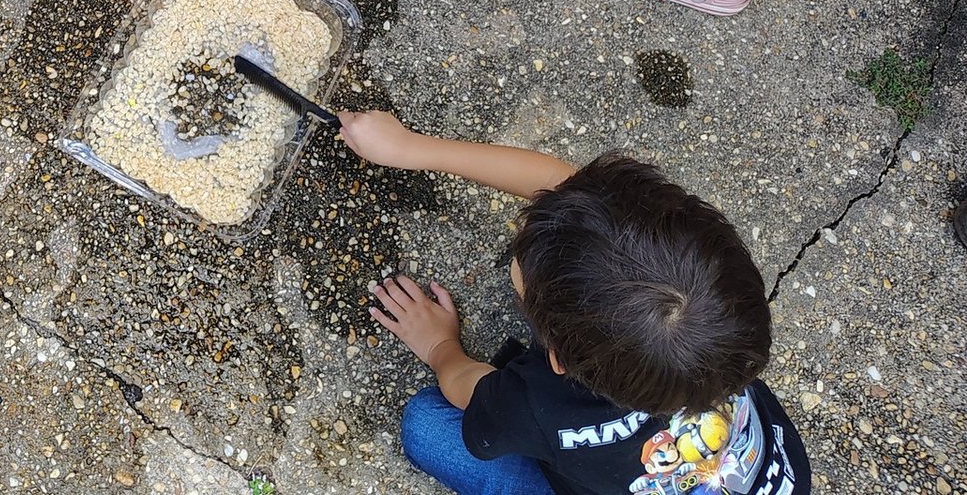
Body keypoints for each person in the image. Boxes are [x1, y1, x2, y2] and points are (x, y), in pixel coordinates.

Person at [337, 111, 811, 495]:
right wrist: (409, 149)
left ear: (557, 360)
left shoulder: (541, 405)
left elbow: (470, 391)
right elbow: (564, 188)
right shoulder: (723, 327)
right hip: (774, 480)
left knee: (426, 425)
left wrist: (439, 345)